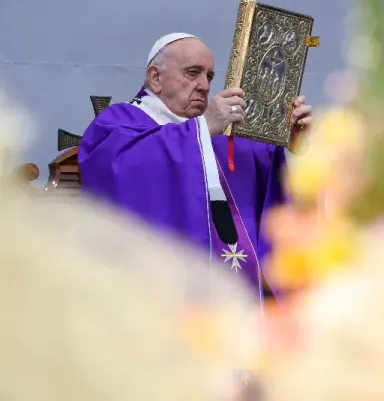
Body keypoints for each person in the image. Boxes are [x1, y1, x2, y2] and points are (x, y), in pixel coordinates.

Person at [78, 33, 312, 302]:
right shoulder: (120, 122)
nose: (203, 85)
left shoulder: (214, 132)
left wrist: (288, 136)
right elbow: (119, 170)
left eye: (209, 76)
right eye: (192, 73)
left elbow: (261, 166)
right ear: (156, 78)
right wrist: (202, 129)